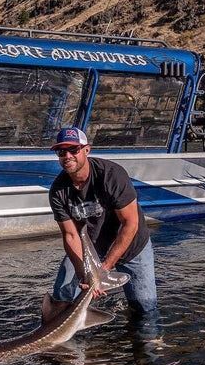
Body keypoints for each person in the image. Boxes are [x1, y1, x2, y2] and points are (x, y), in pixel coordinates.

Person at [47, 127, 157, 318]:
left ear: (86, 150)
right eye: (61, 152)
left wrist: (102, 271)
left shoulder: (111, 174)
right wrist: (84, 273)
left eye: (73, 150)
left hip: (132, 246)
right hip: (91, 249)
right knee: (62, 295)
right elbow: (71, 235)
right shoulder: (58, 190)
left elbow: (130, 223)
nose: (67, 156)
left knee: (145, 308)